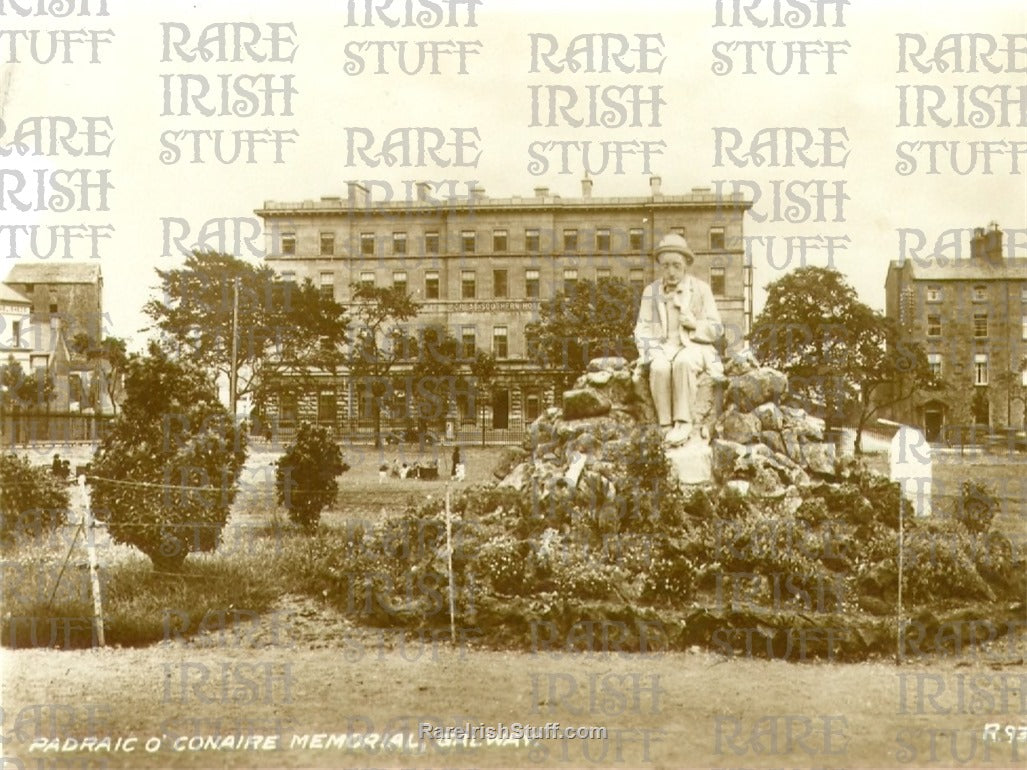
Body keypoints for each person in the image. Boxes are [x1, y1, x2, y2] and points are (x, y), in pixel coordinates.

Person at [634, 233, 726, 446]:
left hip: (694, 346)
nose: (671, 271)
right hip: (663, 347)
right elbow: (642, 328)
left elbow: (716, 328)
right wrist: (651, 350)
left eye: (676, 265)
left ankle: (683, 422)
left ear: (686, 264)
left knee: (683, 363)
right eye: (666, 266)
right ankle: (664, 424)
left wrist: (694, 325)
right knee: (659, 368)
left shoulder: (701, 290)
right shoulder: (651, 291)